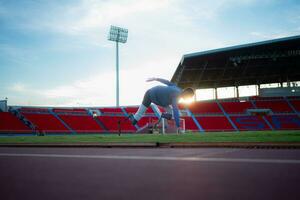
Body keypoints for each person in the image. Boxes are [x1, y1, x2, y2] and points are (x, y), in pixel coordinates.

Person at [128, 77, 194, 133]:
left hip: (161, 101)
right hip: (150, 95)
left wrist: (156, 79)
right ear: (186, 93)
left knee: (172, 114)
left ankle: (162, 119)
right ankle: (131, 117)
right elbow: (175, 110)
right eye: (188, 97)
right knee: (135, 121)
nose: (187, 99)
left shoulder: (176, 88)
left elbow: (166, 82)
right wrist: (178, 126)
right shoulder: (176, 95)